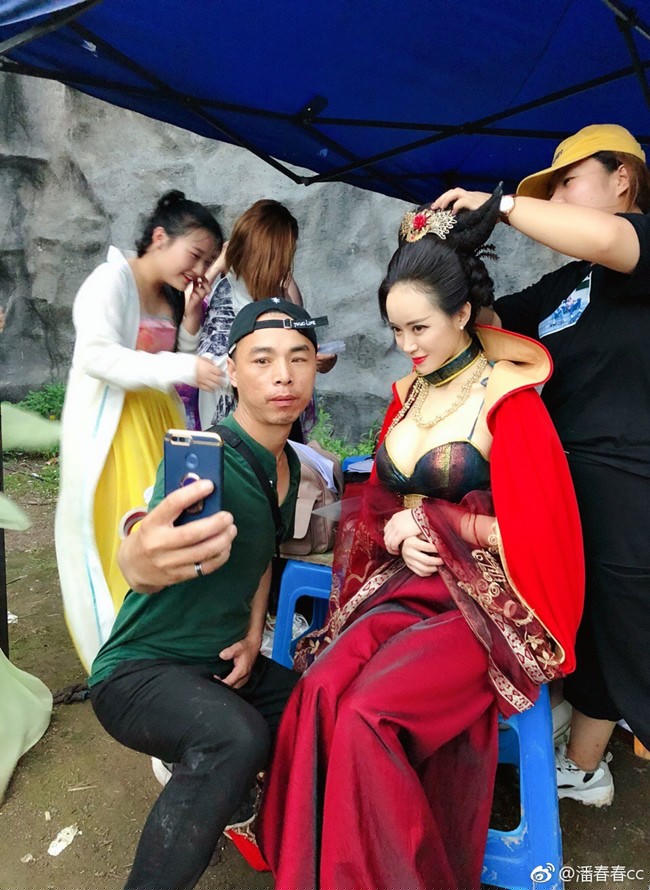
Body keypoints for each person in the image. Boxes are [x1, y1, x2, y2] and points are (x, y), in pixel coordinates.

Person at [257, 192, 584, 890]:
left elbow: (537, 532)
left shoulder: (510, 398)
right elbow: (379, 501)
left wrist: (433, 521)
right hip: (406, 586)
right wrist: (395, 531)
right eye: (396, 329)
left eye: (419, 326)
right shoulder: (408, 394)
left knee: (367, 716)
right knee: (319, 691)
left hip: (484, 608)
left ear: (462, 314)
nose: (407, 344)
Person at [432, 123, 650, 805]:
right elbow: (495, 331)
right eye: (547, 190)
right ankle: (582, 761)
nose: (554, 198)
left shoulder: (637, 245)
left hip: (627, 487)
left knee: (632, 637)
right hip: (558, 486)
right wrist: (458, 271)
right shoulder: (571, 280)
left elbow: (613, 238)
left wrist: (500, 205)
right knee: (584, 626)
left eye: (567, 181)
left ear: (623, 178)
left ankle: (590, 758)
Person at [88, 299, 324, 890]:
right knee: (234, 738)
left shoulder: (291, 467)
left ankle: (257, 815)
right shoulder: (205, 457)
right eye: (262, 360)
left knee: (320, 711)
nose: (283, 375)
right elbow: (148, 531)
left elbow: (264, 560)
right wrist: (138, 555)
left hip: (220, 667)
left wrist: (252, 634)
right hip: (139, 672)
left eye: (298, 358)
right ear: (233, 372)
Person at [55, 190, 224, 672]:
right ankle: (119, 652)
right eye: (196, 255)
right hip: (115, 432)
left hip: (158, 422)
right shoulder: (110, 281)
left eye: (208, 262)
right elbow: (96, 356)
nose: (199, 269)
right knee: (124, 532)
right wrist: (184, 365)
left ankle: (157, 644)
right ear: (159, 237)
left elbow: (167, 360)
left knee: (165, 527)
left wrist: (189, 324)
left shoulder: (168, 293)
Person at [197, 198, 336, 432]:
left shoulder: (279, 291)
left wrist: (312, 359)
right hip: (235, 427)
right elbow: (211, 366)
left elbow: (298, 334)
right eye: (285, 255)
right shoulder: (229, 293)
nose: (287, 264)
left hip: (275, 419)